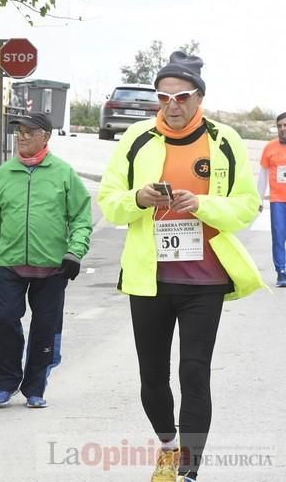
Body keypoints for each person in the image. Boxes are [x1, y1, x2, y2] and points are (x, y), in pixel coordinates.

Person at [97, 52, 264, 482]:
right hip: (149, 278)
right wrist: (138, 199)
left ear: (199, 98)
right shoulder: (136, 137)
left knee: (194, 371)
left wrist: (203, 205)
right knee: (152, 376)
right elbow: (110, 201)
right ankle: (169, 447)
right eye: (164, 97)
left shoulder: (224, 140)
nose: (172, 105)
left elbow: (247, 206)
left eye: (182, 96)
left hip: (204, 281)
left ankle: (189, 470)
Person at [0, 112, 91, 410]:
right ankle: (4, 384)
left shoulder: (63, 173)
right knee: (5, 320)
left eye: (30, 132)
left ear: (46, 136)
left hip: (53, 267)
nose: (22, 136)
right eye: (19, 131)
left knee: (45, 327)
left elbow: (82, 218)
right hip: (9, 264)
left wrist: (74, 252)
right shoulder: (4, 173)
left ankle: (35, 388)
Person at [257, 111, 286, 287]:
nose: (283, 129)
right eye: (280, 126)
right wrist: (258, 199)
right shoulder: (270, 147)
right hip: (278, 200)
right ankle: (281, 272)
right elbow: (263, 175)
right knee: (279, 236)